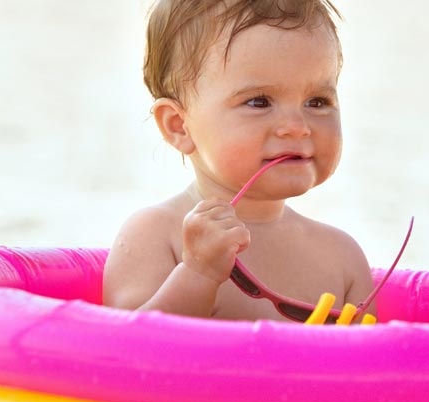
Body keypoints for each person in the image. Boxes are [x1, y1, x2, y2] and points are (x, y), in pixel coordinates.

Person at [103, 0, 375, 321]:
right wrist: (198, 273)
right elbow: (127, 351)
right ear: (179, 125)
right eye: (259, 102)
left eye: (317, 101)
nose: (297, 127)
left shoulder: (342, 258)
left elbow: (367, 366)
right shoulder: (156, 234)